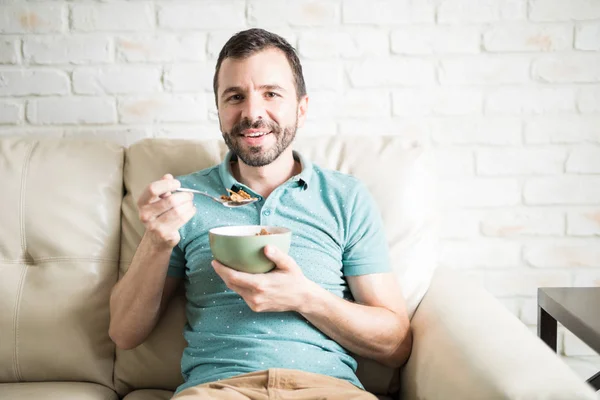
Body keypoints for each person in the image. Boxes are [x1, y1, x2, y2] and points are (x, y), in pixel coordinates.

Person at [108, 28, 412, 400]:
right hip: (218, 390)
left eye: (271, 94)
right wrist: (156, 241)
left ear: (301, 107)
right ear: (219, 110)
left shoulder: (345, 197)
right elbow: (124, 334)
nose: (252, 113)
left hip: (328, 389)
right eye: (235, 97)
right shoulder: (182, 198)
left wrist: (305, 297)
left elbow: (396, 345)